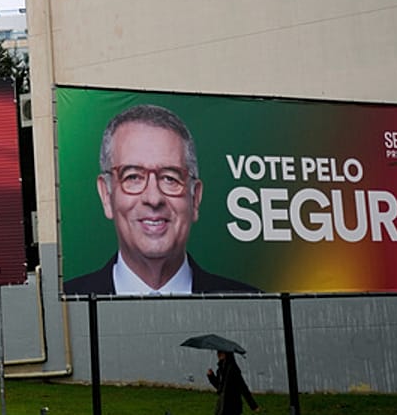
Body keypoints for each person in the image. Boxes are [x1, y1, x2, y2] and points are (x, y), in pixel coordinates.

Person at [63, 104, 259, 295]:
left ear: (196, 198)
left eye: (170, 178)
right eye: (133, 177)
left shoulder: (252, 305)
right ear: (106, 195)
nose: (153, 198)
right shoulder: (66, 307)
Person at [207, 350, 259, 415]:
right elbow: (220, 387)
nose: (218, 354)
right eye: (218, 352)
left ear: (227, 354)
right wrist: (211, 376)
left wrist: (253, 405)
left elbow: (243, 387)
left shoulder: (233, 369)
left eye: (221, 352)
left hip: (232, 406)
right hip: (225, 406)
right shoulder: (220, 369)